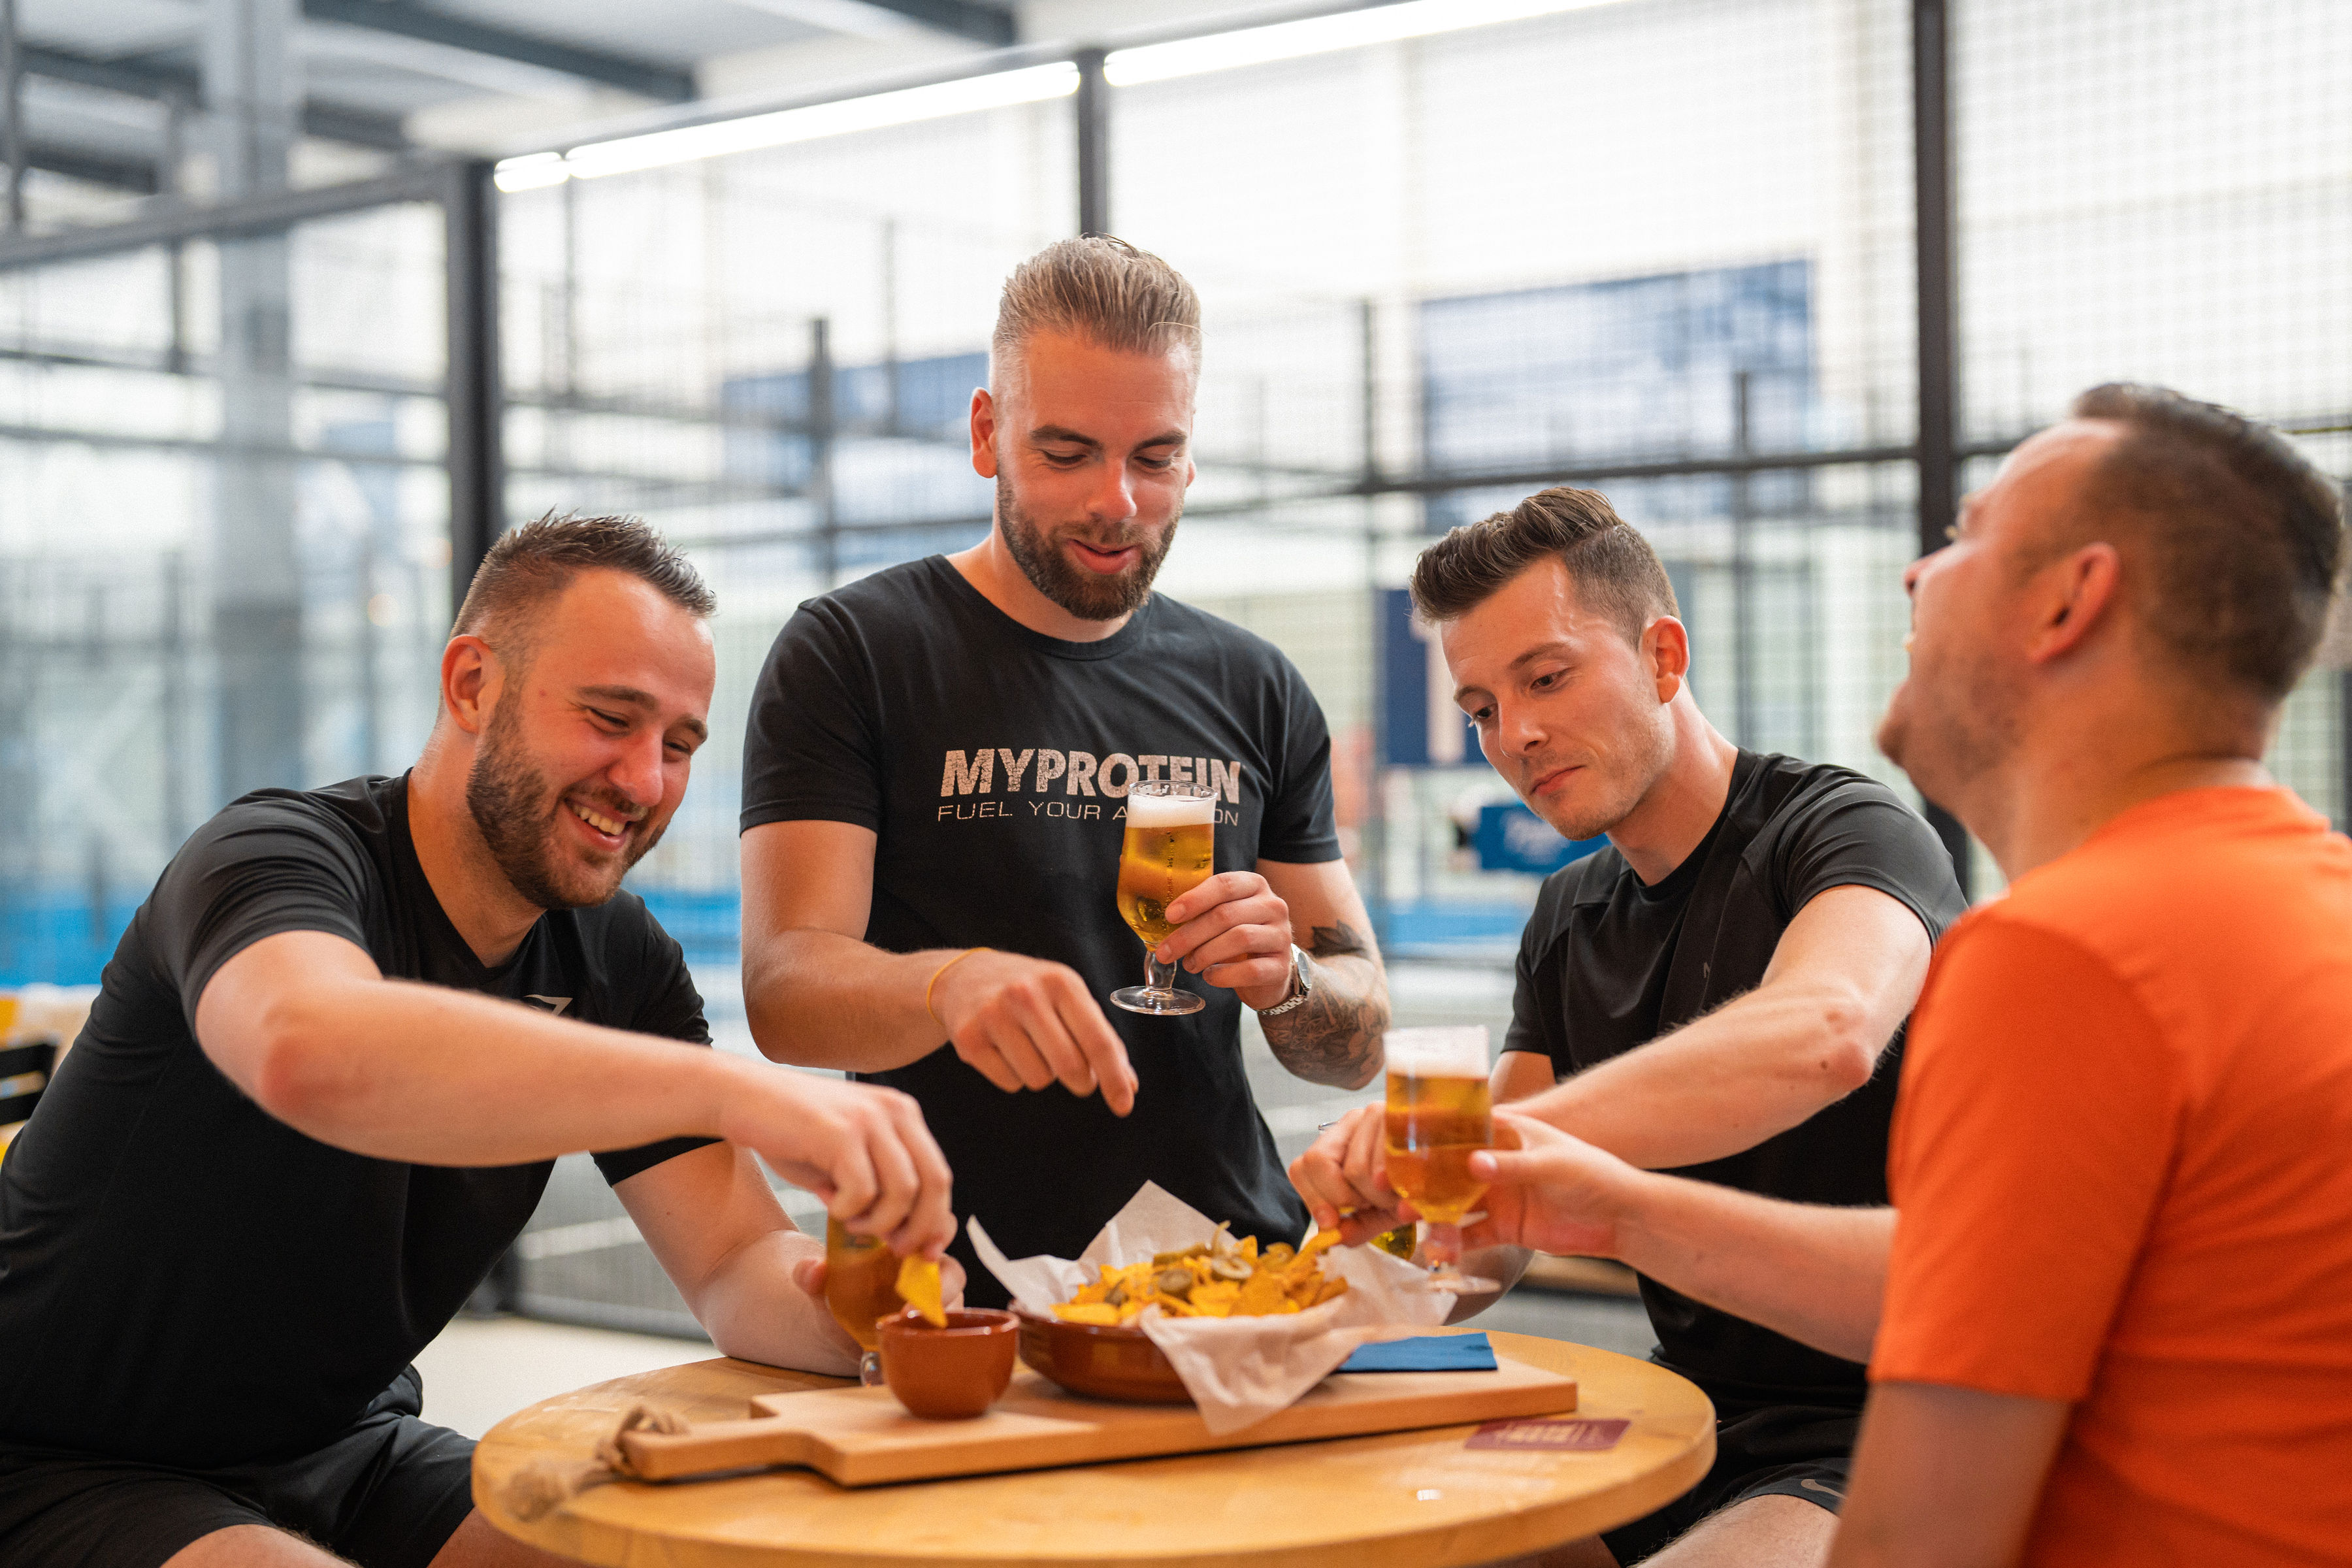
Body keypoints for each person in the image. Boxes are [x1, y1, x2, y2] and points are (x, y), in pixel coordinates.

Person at [1463, 386, 2352, 1565]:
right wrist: (1597, 1199)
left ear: (2069, 601)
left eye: (1965, 535)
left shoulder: (2061, 954)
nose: (1914, 577)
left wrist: (1507, 1158)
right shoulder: (2299, 905)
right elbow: (1976, 1280)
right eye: (1484, 705)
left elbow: (1920, 1531)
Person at [0, 515, 958, 1568]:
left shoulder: (617, 958)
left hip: (350, 1446)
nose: (644, 783)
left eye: (679, 745)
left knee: (694, 1552)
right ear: (470, 685)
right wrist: (740, 1093)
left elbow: (734, 1260)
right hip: (59, 1454)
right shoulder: (273, 857)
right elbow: (308, 1049)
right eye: (610, 718)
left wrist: (858, 1312)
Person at [1290, 487, 1967, 1566]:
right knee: (1366, 1534)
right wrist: (1326, 1286)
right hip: (1674, 1418)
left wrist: (1484, 1140)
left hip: (1894, 1425)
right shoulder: (1567, 916)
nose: (1515, 735)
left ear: (1663, 655)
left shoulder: (1848, 829)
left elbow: (1825, 1030)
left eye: (1547, 678)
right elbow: (1486, 1229)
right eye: (1480, 708)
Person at [738, 237, 1390, 1305]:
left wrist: (1291, 982)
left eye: (1155, 456)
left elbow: (1356, 1041)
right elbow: (784, 993)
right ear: (988, 434)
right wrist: (948, 985)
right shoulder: (855, 651)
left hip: (1237, 1285)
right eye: (1069, 452)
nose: (1118, 502)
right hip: (962, 1303)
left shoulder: (1257, 686)